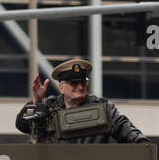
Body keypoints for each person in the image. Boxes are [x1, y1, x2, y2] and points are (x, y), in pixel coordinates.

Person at [16, 59, 149, 144]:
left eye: (83, 82)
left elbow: (125, 129)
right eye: (74, 83)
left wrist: (143, 145)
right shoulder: (49, 107)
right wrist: (37, 100)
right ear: (61, 87)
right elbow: (22, 125)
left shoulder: (103, 107)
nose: (80, 87)